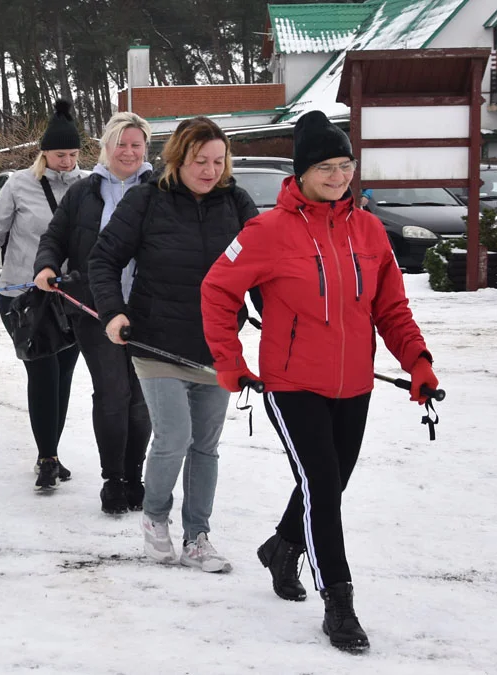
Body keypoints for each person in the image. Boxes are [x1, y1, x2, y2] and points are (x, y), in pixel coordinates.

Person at [200, 110, 439, 652]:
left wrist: (417, 362)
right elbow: (217, 291)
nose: (338, 176)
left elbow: (392, 308)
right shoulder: (266, 231)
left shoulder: (370, 229)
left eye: (345, 165)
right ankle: (339, 600)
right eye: (326, 166)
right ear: (302, 173)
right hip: (292, 383)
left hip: (354, 384)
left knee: (327, 482)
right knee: (323, 488)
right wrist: (230, 360)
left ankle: (283, 545)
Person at [89, 116, 258, 573]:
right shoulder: (147, 201)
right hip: (156, 340)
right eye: (200, 160)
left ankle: (198, 536)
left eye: (218, 161)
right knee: (175, 437)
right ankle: (155, 517)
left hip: (217, 345)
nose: (209, 170)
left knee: (206, 444)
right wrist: (113, 311)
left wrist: (285, 324)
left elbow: (265, 272)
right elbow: (103, 258)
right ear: (178, 159)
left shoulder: (238, 204)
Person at [33, 111, 155, 511]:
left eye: (137, 144)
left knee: (141, 397)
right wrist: (47, 266)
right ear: (105, 147)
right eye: (121, 143)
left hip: (150, 311)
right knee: (113, 392)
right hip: (93, 307)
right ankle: (113, 479)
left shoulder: (161, 190)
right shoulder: (84, 192)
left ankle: (134, 475)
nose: (129, 151)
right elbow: (55, 236)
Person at [0, 99, 85, 489]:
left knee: (65, 375)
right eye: (59, 155)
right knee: (44, 370)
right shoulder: (19, 184)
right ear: (44, 153)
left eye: (73, 154)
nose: (67, 161)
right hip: (24, 297)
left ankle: (51, 449)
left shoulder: (89, 186)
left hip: (71, 298)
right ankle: (47, 456)